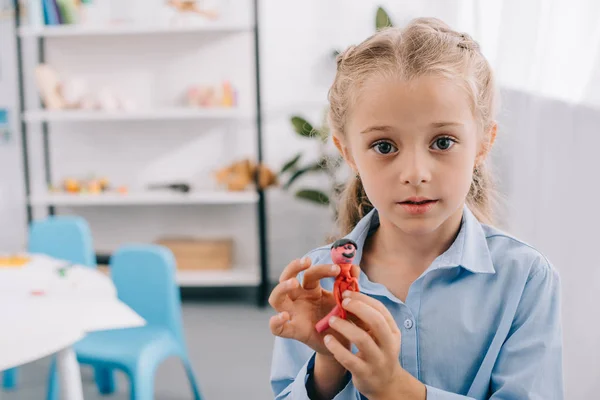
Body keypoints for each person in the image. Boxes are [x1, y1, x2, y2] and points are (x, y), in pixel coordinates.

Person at [268, 17, 563, 400]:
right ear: (348, 153)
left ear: (483, 143)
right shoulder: (315, 285)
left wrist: (398, 390)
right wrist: (329, 364)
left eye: (442, 142)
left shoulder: (525, 279)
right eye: (385, 146)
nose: (415, 174)